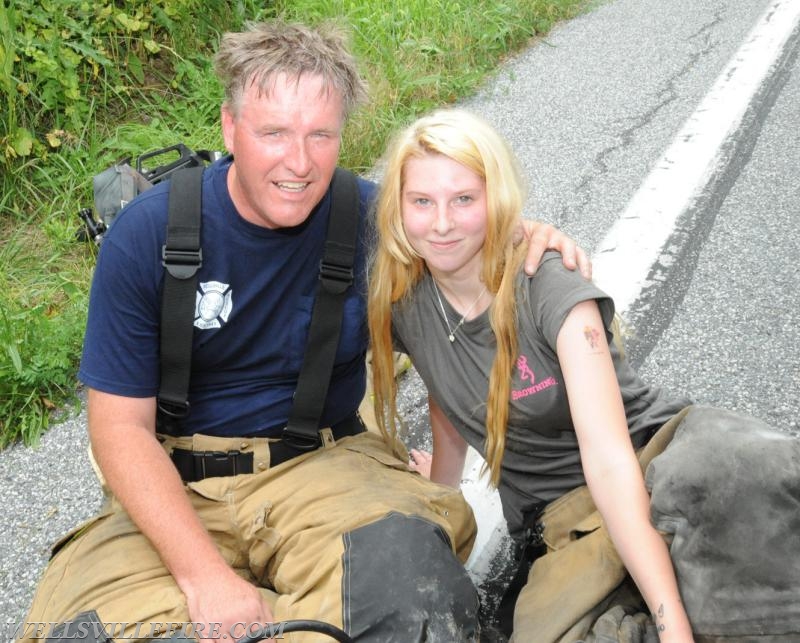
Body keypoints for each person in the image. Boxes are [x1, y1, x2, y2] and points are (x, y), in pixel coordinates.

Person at [20, 21, 590, 643]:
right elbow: (119, 430)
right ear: (229, 127)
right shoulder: (146, 236)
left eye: (321, 135)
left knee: (415, 608)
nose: (299, 162)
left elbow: (459, 240)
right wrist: (205, 577)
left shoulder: (376, 224)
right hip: (176, 483)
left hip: (326, 468)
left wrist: (527, 236)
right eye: (274, 134)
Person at [367, 108, 800, 642]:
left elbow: (612, 462)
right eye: (422, 202)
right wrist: (442, 494)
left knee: (748, 489)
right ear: (398, 207)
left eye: (464, 199)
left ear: (495, 199)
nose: (441, 222)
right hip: (565, 518)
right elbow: (446, 395)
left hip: (652, 454)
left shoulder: (547, 282)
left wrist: (673, 627)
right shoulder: (406, 305)